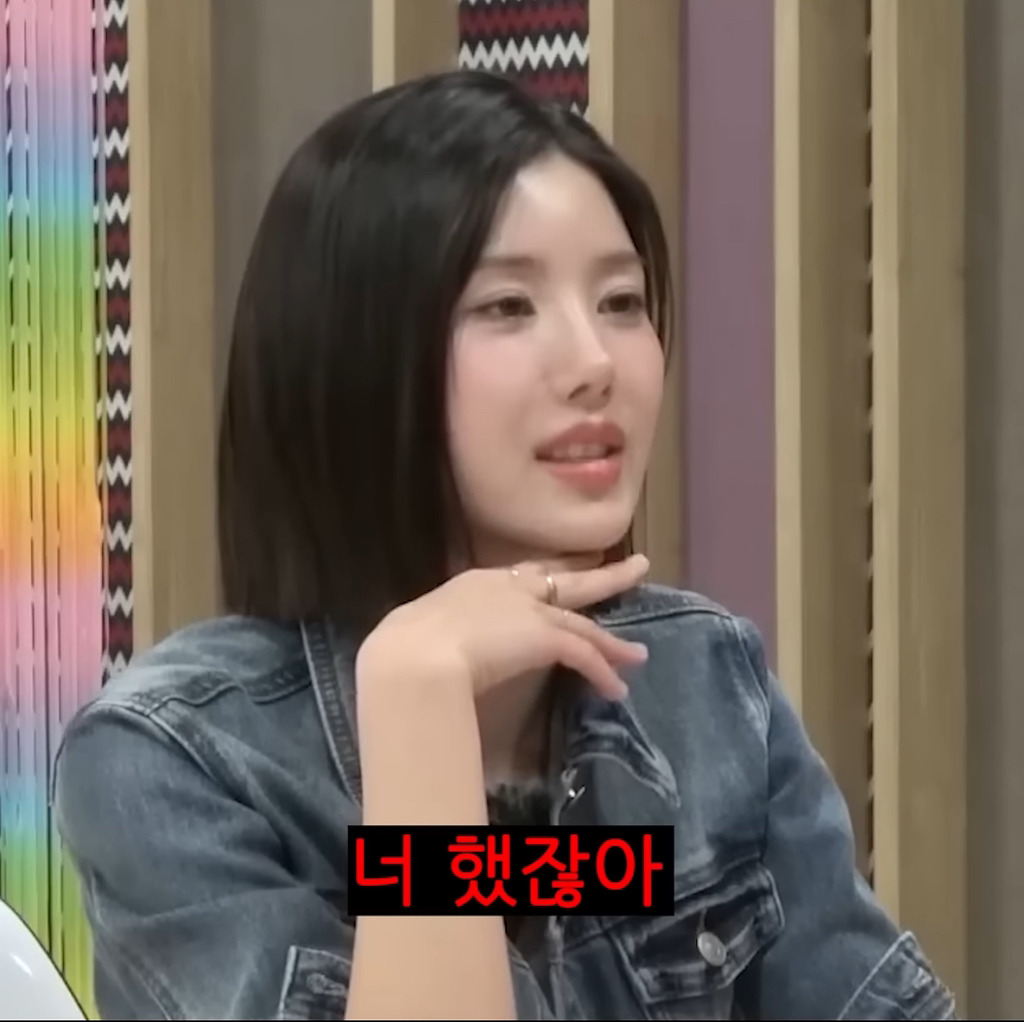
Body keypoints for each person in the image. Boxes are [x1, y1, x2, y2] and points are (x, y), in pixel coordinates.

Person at [53, 70, 955, 1021]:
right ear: (356, 353)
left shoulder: (704, 681)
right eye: (508, 308)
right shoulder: (176, 759)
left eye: (621, 301)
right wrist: (419, 706)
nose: (595, 363)